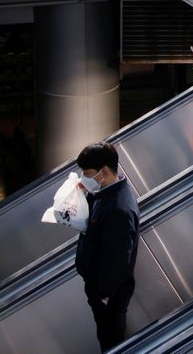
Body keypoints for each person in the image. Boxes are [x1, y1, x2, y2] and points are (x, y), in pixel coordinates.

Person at [74, 142, 139, 352]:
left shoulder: (119, 209)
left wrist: (102, 294)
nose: (84, 177)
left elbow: (118, 260)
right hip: (104, 293)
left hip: (109, 299)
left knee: (111, 343)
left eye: (88, 174)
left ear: (103, 172)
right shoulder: (107, 192)